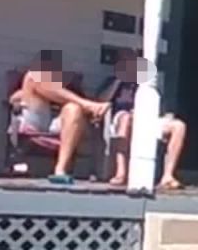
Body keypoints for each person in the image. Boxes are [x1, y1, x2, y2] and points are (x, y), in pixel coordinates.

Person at [10, 49, 108, 185]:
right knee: (33, 78)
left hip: (63, 127)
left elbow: (87, 117)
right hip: (36, 121)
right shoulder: (31, 80)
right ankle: (87, 105)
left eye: (53, 68)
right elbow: (13, 98)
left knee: (74, 108)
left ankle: (60, 169)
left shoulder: (71, 89)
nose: (48, 71)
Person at [96, 48, 186, 190]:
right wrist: (119, 80)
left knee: (179, 126)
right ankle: (121, 172)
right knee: (126, 119)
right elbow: (101, 101)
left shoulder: (149, 83)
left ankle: (168, 175)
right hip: (122, 117)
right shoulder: (112, 82)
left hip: (147, 119)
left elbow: (162, 108)